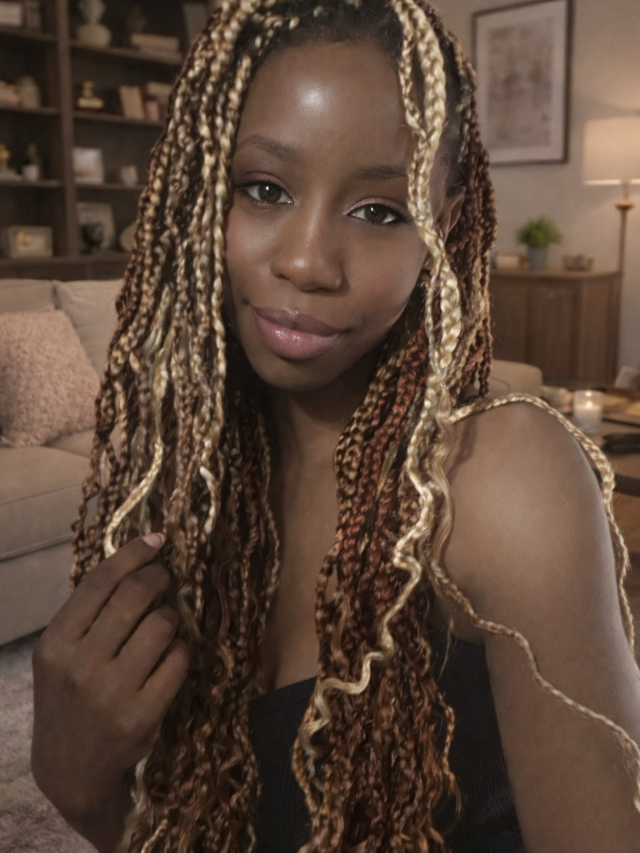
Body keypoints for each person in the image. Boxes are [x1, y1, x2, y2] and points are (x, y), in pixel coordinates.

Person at [30, 1, 640, 852]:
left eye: (381, 211)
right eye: (265, 189)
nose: (307, 262)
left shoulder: (498, 478)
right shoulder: (190, 478)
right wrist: (77, 784)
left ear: (441, 229)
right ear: (203, 190)